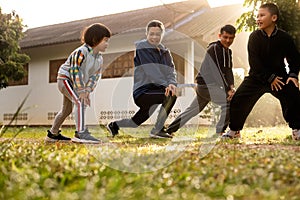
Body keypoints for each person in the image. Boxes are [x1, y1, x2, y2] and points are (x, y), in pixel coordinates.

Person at [222, 3, 300, 140]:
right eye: (257, 16)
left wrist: (293, 75)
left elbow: (294, 59)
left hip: (280, 77)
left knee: (293, 93)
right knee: (239, 98)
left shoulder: (285, 38)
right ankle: (234, 130)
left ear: (274, 17)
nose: (258, 18)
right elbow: (255, 63)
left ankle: (297, 130)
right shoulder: (254, 37)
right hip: (256, 78)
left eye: (262, 15)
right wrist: (270, 78)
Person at [107, 20, 177, 139]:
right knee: (170, 95)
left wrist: (171, 83)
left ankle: (114, 125)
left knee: (135, 123)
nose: (154, 37)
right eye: (151, 34)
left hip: (156, 90)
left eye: (157, 34)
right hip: (143, 91)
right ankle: (158, 130)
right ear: (146, 34)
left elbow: (170, 70)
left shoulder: (165, 52)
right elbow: (151, 70)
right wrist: (166, 85)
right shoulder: (142, 47)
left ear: (162, 35)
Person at [45, 23, 111, 143]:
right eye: (105, 40)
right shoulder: (81, 52)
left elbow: (95, 76)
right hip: (65, 79)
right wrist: (81, 91)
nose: (107, 44)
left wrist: (87, 90)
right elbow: (76, 72)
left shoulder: (99, 58)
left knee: (66, 110)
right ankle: (80, 133)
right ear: (95, 39)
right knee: (80, 103)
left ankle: (52, 134)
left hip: (76, 84)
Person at [165, 25, 236, 136]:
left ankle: (169, 130)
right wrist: (227, 90)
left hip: (209, 87)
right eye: (225, 37)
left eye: (231, 38)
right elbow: (216, 69)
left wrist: (231, 87)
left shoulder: (228, 52)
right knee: (228, 102)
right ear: (219, 36)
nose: (228, 40)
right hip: (206, 86)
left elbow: (228, 71)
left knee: (191, 111)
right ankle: (220, 132)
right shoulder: (214, 48)